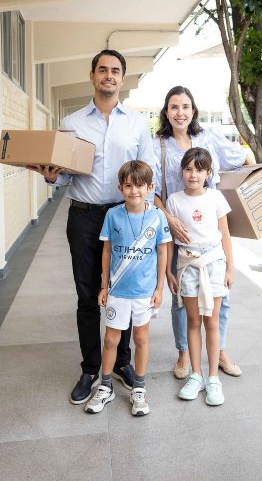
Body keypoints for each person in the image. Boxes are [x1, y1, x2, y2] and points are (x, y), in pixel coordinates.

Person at [27, 50, 159, 405]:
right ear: (92, 75)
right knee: (87, 295)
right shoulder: (72, 123)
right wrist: (51, 176)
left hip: (125, 218)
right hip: (84, 217)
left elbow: (149, 171)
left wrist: (149, 214)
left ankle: (123, 363)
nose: (108, 75)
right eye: (103, 69)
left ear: (122, 79)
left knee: (125, 293)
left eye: (115, 70)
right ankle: (90, 368)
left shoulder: (136, 123)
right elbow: (63, 174)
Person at [152, 85, 254, 380]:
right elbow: (152, 190)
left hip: (210, 232)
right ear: (166, 112)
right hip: (178, 231)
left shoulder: (209, 137)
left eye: (185, 106)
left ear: (193, 110)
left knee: (221, 295)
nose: (180, 112)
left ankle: (219, 350)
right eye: (174, 107)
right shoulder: (158, 145)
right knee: (181, 297)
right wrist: (169, 219)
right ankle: (184, 352)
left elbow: (242, 159)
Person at [84, 161, 170, 416]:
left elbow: (162, 252)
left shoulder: (157, 216)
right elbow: (107, 250)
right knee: (111, 339)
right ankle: (105, 386)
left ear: (150, 188)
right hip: (117, 291)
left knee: (141, 338)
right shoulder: (113, 215)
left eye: (140, 186)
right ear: (120, 188)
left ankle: (139, 389)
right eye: (129, 186)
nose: (134, 191)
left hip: (144, 292)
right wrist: (104, 286)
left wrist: (160, 288)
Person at [165, 147, 234, 406]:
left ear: (208, 173)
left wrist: (230, 268)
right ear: (182, 171)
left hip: (214, 263)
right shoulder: (174, 200)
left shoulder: (216, 197)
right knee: (193, 321)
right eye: (188, 169)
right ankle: (196, 375)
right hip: (187, 264)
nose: (193, 175)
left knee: (212, 321)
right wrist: (170, 271)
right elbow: (169, 240)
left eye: (199, 170)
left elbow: (225, 234)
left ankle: (213, 378)